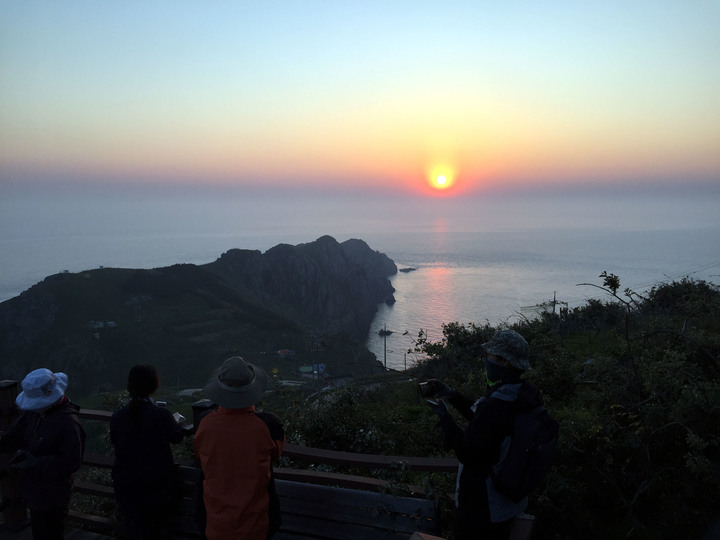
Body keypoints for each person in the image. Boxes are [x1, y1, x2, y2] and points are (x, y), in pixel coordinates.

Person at [425, 329, 545, 540]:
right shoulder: (522, 394)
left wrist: (444, 416)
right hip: (509, 500)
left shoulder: (498, 404)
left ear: (504, 361)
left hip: (483, 508)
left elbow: (467, 451)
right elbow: (487, 426)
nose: (487, 360)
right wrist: (452, 395)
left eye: (490, 355)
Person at [194, 356, 285, 540]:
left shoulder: (205, 424)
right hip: (256, 525)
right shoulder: (267, 425)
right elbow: (276, 453)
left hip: (214, 524)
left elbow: (199, 456)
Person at [0, 368, 86, 540]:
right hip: (34, 490)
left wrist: (36, 462)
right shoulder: (34, 414)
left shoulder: (68, 423)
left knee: (51, 532)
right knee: (40, 531)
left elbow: (72, 461)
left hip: (54, 494)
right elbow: (14, 436)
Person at [110, 364, 188, 540]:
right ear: (154, 385)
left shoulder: (118, 417)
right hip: (154, 487)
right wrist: (180, 426)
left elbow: (116, 441)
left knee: (133, 528)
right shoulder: (160, 415)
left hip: (126, 485)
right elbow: (176, 438)